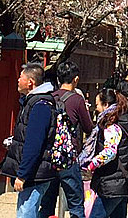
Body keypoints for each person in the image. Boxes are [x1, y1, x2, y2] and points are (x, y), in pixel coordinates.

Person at [0, 63, 59, 218]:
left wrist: (23, 174)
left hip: (35, 173)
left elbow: (34, 143)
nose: (18, 80)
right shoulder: (31, 102)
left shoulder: (40, 105)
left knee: (26, 213)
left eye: (21, 77)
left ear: (30, 82)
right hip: (35, 171)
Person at [40, 60, 94, 218]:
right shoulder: (77, 100)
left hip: (49, 156)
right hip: (68, 156)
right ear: (76, 79)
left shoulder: (49, 97)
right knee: (76, 203)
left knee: (47, 202)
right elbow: (88, 127)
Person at [82, 88, 128, 218]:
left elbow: (110, 152)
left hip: (111, 185)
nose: (96, 108)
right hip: (121, 182)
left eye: (98, 105)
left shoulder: (112, 127)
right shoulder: (124, 121)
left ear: (106, 105)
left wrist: (92, 165)